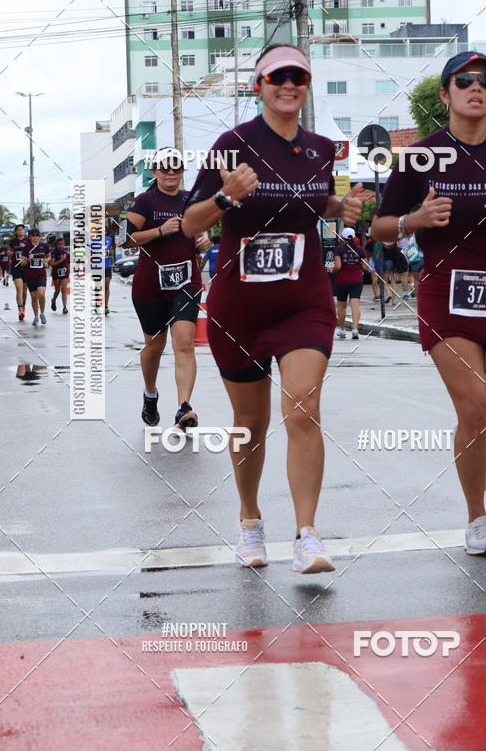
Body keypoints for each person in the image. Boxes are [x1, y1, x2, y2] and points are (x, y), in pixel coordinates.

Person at [182, 43, 370, 575]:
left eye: (299, 77)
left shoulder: (320, 149)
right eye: (278, 77)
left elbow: (314, 203)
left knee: (304, 408)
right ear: (258, 85)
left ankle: (308, 534)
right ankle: (249, 520)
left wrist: (340, 206)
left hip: (303, 301)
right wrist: (225, 198)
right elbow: (192, 224)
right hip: (239, 306)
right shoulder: (231, 144)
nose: (290, 85)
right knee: (250, 422)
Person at [372, 50, 486, 557]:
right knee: (475, 408)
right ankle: (478, 519)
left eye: (485, 81)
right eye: (464, 81)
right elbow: (379, 227)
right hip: (446, 295)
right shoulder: (420, 157)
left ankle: (476, 447)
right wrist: (414, 220)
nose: (476, 88)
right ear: (446, 94)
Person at [123, 147, 210, 430]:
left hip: (186, 282)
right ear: (155, 171)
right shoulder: (145, 201)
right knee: (154, 347)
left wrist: (204, 239)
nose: (171, 172)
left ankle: (184, 407)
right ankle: (150, 394)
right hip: (150, 286)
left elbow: (203, 230)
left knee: (184, 344)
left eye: (177, 167)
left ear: (184, 170)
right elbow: (125, 239)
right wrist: (160, 230)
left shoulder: (192, 200)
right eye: (165, 167)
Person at [333, 227, 369, 339]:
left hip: (342, 280)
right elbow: (365, 267)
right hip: (356, 280)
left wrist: (332, 269)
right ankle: (355, 330)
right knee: (355, 305)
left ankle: (342, 329)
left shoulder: (339, 249)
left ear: (342, 237)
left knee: (342, 305)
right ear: (354, 237)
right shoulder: (360, 250)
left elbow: (338, 267)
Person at [20, 228, 51, 325]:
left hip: (41, 274)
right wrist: (28, 259)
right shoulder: (26, 248)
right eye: (33, 235)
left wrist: (46, 260)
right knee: (33, 297)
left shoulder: (44, 246)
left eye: (37, 235)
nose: (35, 237)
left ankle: (42, 313)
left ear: (40, 236)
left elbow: (48, 255)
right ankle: (36, 316)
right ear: (30, 237)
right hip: (30, 275)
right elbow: (22, 263)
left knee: (41, 294)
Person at [8, 224, 28, 320]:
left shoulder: (28, 241)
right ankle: (20, 312)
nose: (20, 231)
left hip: (26, 268)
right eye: (18, 230)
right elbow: (9, 251)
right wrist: (11, 253)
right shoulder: (13, 241)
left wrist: (25, 247)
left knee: (24, 291)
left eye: (22, 229)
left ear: (24, 231)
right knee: (19, 290)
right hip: (16, 268)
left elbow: (32, 252)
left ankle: (23, 308)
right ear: (16, 232)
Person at [50, 237, 70, 313]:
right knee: (57, 291)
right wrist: (62, 259)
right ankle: (53, 300)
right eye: (59, 244)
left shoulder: (66, 252)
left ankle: (65, 307)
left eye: (62, 244)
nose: (61, 246)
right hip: (56, 273)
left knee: (64, 289)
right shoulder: (54, 252)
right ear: (56, 245)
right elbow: (52, 264)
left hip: (64, 272)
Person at [104, 232, 113, 314]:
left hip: (107, 265)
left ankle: (105, 306)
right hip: (97, 266)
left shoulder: (109, 239)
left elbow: (112, 251)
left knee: (106, 285)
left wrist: (111, 252)